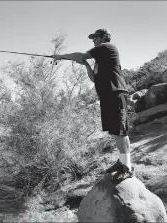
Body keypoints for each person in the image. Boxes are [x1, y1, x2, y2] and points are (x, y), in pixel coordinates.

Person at [53, 29, 134, 180]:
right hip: (108, 95)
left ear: (104, 37)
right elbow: (94, 79)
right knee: (117, 131)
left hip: (114, 93)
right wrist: (86, 65)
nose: (93, 40)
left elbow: (81, 55)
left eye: (95, 37)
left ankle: (127, 166)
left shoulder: (107, 47)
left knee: (120, 131)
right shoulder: (100, 61)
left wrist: (60, 56)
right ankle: (123, 162)